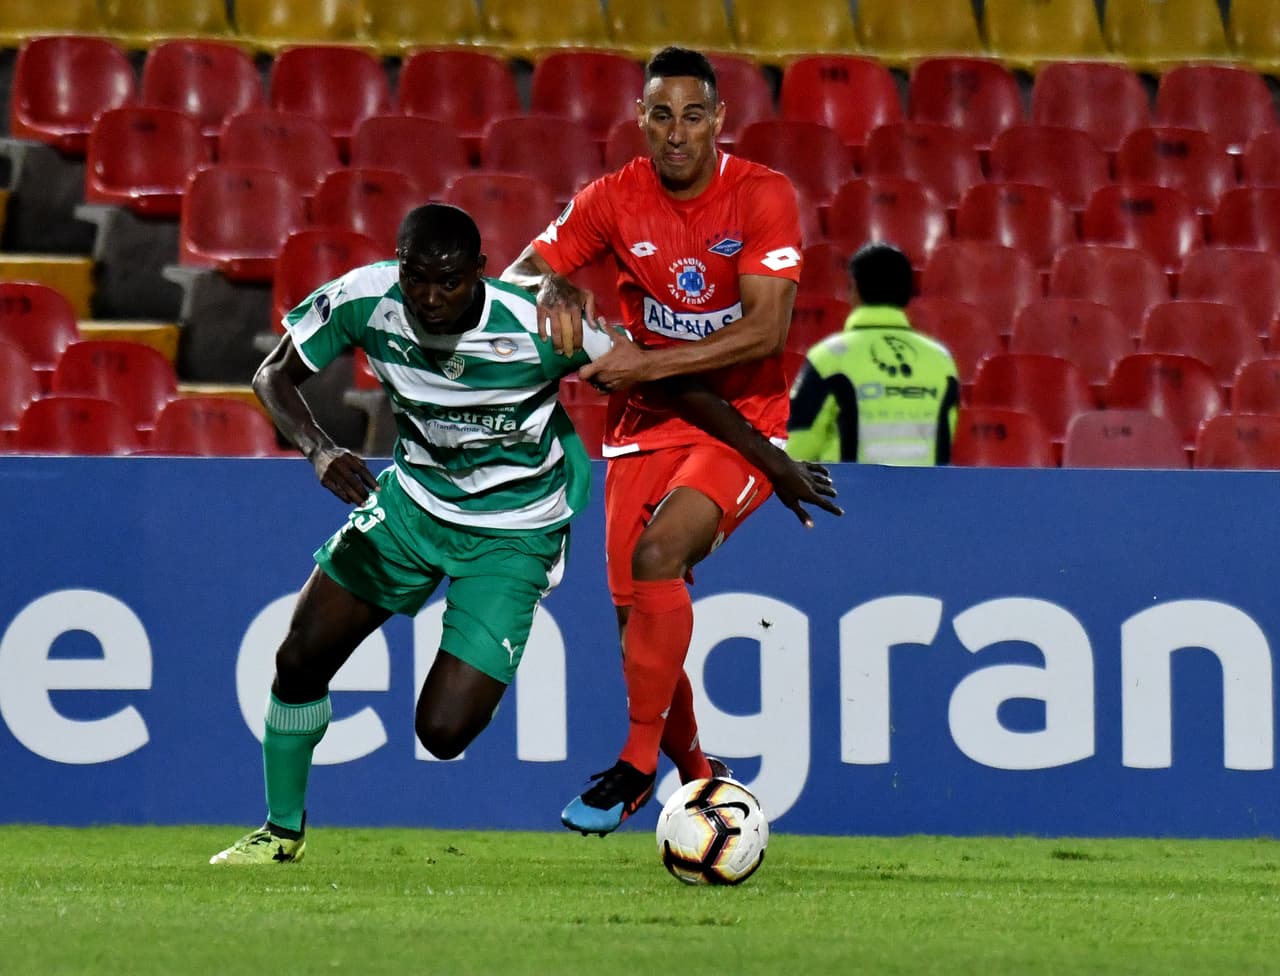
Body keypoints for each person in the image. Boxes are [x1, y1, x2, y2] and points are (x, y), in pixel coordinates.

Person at [502, 45, 843, 837]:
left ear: (719, 119)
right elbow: (520, 275)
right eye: (661, 115)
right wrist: (551, 282)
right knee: (635, 625)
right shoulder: (612, 199)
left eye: (694, 115)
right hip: (642, 427)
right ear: (641, 120)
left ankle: (634, 762)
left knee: (661, 557)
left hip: (744, 423)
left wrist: (644, 359)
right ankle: (700, 780)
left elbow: (765, 331)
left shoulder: (763, 194)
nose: (677, 132)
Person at [210, 203, 605, 864]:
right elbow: (271, 373)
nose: (430, 296)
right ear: (400, 266)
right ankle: (280, 835)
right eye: (417, 278)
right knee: (298, 657)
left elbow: (648, 377)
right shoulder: (367, 298)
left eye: (449, 282)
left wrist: (759, 456)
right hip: (412, 504)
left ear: (480, 274)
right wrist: (317, 449)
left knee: (443, 731)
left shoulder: (539, 323)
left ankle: (496, 619)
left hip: (513, 531)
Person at [786, 242, 960, 465]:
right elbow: (944, 441)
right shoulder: (941, 361)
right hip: (926, 499)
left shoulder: (829, 358)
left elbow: (797, 447)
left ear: (854, 288)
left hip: (849, 498)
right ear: (908, 293)